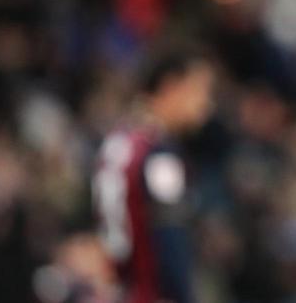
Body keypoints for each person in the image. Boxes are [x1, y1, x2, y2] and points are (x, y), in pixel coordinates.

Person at [92, 47, 217, 303]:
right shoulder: (160, 156)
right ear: (171, 88)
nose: (207, 103)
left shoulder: (117, 142)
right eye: (201, 90)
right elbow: (169, 237)